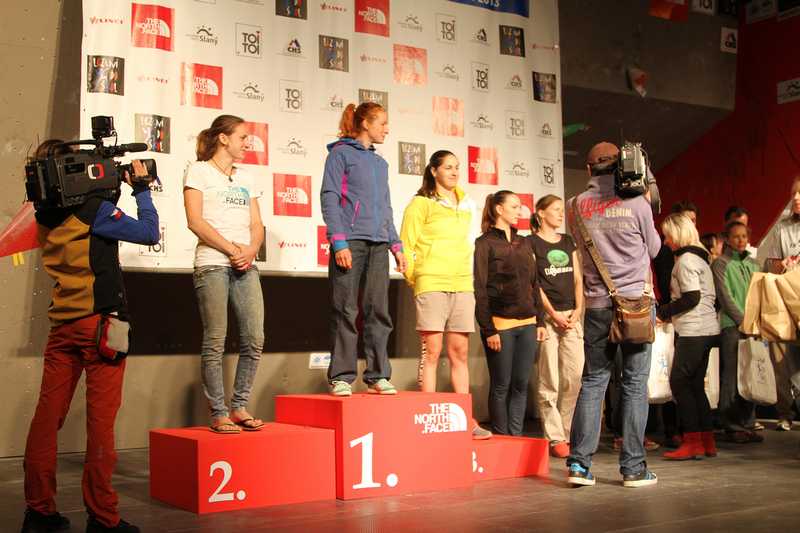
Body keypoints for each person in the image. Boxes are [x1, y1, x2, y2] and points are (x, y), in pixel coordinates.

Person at [22, 140, 159, 533]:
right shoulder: (94, 211)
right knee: (100, 425)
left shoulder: (44, 216)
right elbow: (149, 232)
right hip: (100, 326)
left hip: (62, 327)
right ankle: (103, 517)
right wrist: (141, 189)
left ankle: (39, 512)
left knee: (46, 421)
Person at [565, 141, 661, 488]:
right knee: (634, 384)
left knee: (593, 381)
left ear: (588, 169)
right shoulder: (637, 203)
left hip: (596, 306)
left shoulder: (574, 206)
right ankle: (633, 468)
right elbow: (654, 249)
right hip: (635, 306)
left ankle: (579, 465)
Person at [184, 115, 266, 434]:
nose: (247, 143)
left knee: (254, 338)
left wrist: (251, 250)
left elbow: (256, 223)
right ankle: (219, 412)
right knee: (215, 339)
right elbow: (195, 221)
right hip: (212, 263)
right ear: (223, 138)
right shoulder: (199, 170)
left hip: (245, 264)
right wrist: (232, 249)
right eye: (242, 137)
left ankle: (239, 406)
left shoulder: (247, 177)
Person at [399, 150, 490, 439]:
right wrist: (416, 278)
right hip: (431, 282)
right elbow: (406, 245)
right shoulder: (420, 203)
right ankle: (428, 415)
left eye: (457, 167)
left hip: (462, 283)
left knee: (459, 352)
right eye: (448, 167)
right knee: (433, 351)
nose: (454, 172)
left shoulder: (466, 204)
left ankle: (465, 419)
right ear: (434, 171)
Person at [321, 102, 406, 396]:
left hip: (379, 243)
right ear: (366, 124)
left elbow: (386, 207)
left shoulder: (380, 164)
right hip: (350, 243)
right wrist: (339, 241)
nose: (387, 129)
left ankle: (378, 375)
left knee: (378, 310)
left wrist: (396, 245)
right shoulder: (340, 154)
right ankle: (342, 376)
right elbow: (330, 198)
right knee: (345, 309)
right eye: (382, 123)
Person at [474, 191, 547, 437]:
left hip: (528, 324)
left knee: (521, 385)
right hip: (500, 326)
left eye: (520, 207)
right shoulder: (484, 243)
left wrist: (540, 321)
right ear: (499, 209)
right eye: (514, 206)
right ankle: (501, 438)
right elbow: (480, 289)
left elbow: (534, 283)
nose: (520, 211)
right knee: (501, 385)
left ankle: (515, 438)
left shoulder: (524, 242)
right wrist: (489, 330)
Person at [657, 214, 720, 460]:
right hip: (706, 329)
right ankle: (707, 441)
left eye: (667, 236)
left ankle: (693, 441)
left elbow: (691, 297)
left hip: (694, 330)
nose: (665, 241)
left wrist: (663, 312)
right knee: (694, 385)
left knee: (680, 383)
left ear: (678, 234)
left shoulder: (685, 261)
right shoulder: (701, 259)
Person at [529, 195, 584, 458]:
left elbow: (577, 278)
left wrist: (579, 309)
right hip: (549, 319)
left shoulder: (567, 241)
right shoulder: (531, 242)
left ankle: (566, 430)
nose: (561, 214)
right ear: (541, 213)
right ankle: (555, 437)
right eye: (556, 210)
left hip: (572, 317)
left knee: (574, 377)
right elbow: (535, 283)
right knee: (549, 378)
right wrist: (551, 313)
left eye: (563, 210)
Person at [712, 220, 763, 443]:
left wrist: (756, 322)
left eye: (744, 236)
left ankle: (748, 422)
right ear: (728, 239)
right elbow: (725, 296)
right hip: (732, 326)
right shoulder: (721, 264)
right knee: (732, 375)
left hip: (754, 327)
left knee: (751, 372)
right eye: (736, 236)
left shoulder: (754, 264)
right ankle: (731, 424)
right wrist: (743, 320)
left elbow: (760, 295)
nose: (741, 240)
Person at [761, 176, 800, 432]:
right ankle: (785, 412)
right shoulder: (782, 228)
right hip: (785, 301)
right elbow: (771, 264)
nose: (795, 198)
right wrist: (782, 264)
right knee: (781, 359)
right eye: (793, 193)